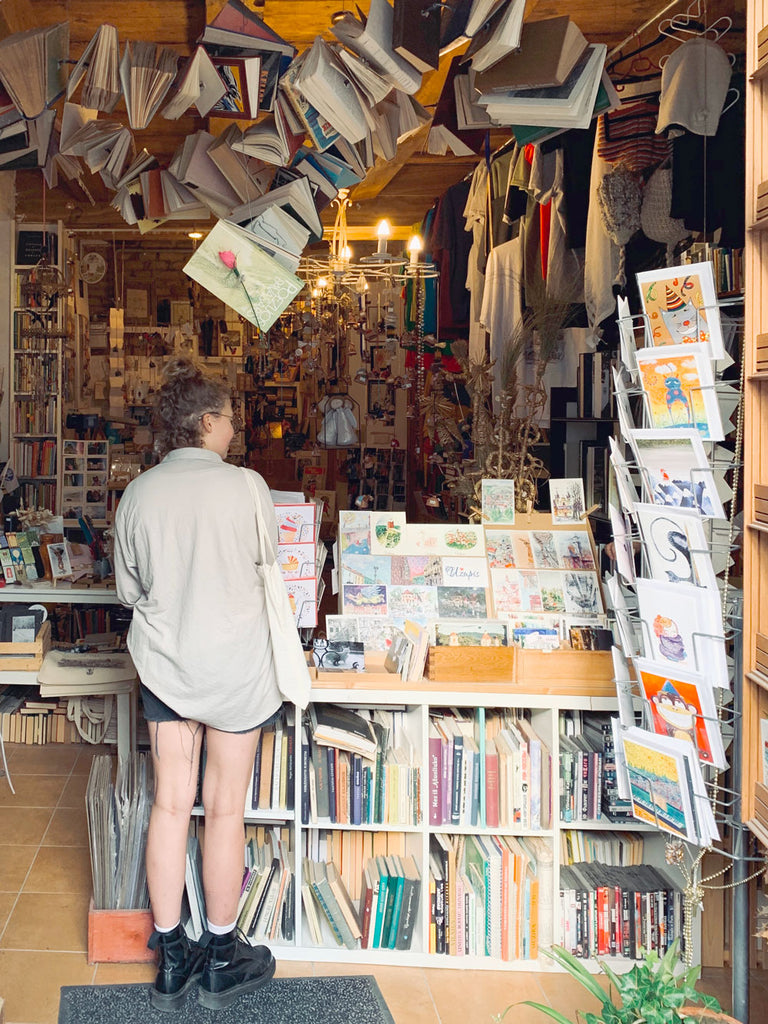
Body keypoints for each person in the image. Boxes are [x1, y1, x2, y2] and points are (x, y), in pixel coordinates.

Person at [113, 357, 280, 1011]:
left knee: (169, 804)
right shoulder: (247, 488)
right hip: (236, 669)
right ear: (206, 422)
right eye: (230, 420)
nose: (235, 432)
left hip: (168, 667)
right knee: (226, 808)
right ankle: (220, 950)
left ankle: (170, 952)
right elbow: (268, 564)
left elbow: (130, 591)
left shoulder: (139, 494)